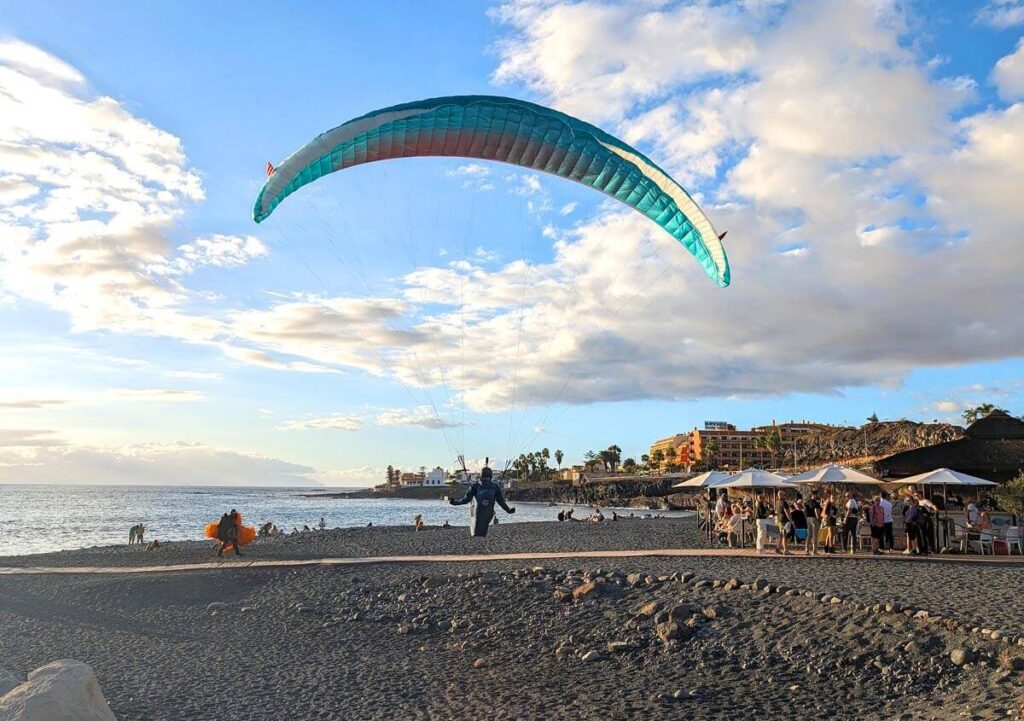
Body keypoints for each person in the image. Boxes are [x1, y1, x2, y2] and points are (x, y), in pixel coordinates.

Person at [449, 464, 515, 537]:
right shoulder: (495, 487)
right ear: (491, 476)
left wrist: (454, 502)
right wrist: (509, 510)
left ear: (481, 475)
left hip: (478, 513)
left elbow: (466, 500)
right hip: (489, 514)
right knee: (482, 532)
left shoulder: (475, 486)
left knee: (476, 533)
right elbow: (501, 502)